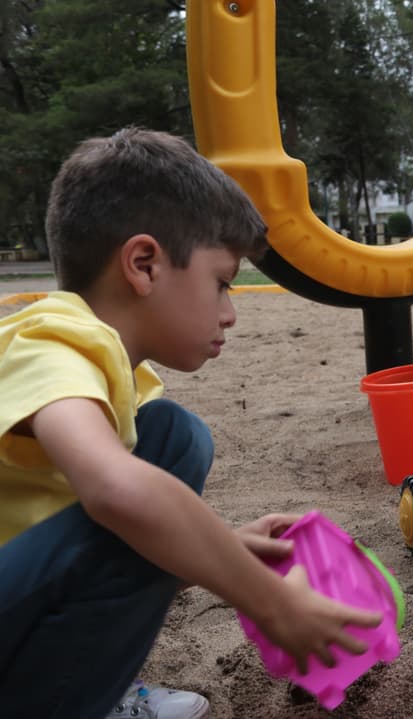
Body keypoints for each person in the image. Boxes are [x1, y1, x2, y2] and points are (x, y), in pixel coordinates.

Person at [0, 128, 384, 718]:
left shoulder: (114, 379)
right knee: (171, 449)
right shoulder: (52, 345)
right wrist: (273, 604)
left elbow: (97, 547)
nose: (229, 314)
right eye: (222, 282)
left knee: (164, 446)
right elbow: (115, 494)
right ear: (144, 264)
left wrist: (221, 548)